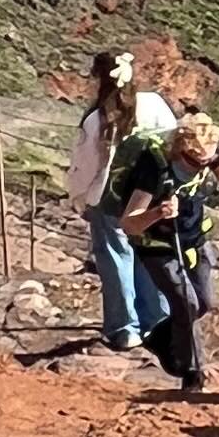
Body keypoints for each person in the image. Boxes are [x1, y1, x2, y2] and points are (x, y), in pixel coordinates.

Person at [112, 108, 219, 398]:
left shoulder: (207, 155)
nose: (202, 167)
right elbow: (129, 222)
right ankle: (193, 374)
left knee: (205, 303)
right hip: (159, 247)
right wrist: (157, 213)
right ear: (180, 150)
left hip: (194, 239)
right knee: (186, 305)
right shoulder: (154, 169)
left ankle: (161, 336)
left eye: (208, 161)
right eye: (195, 161)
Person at [70, 48, 178, 351]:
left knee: (117, 259)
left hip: (109, 199)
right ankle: (157, 320)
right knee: (148, 257)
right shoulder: (155, 104)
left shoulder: (96, 120)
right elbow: (173, 142)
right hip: (149, 198)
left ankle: (125, 328)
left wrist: (78, 198)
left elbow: (84, 168)